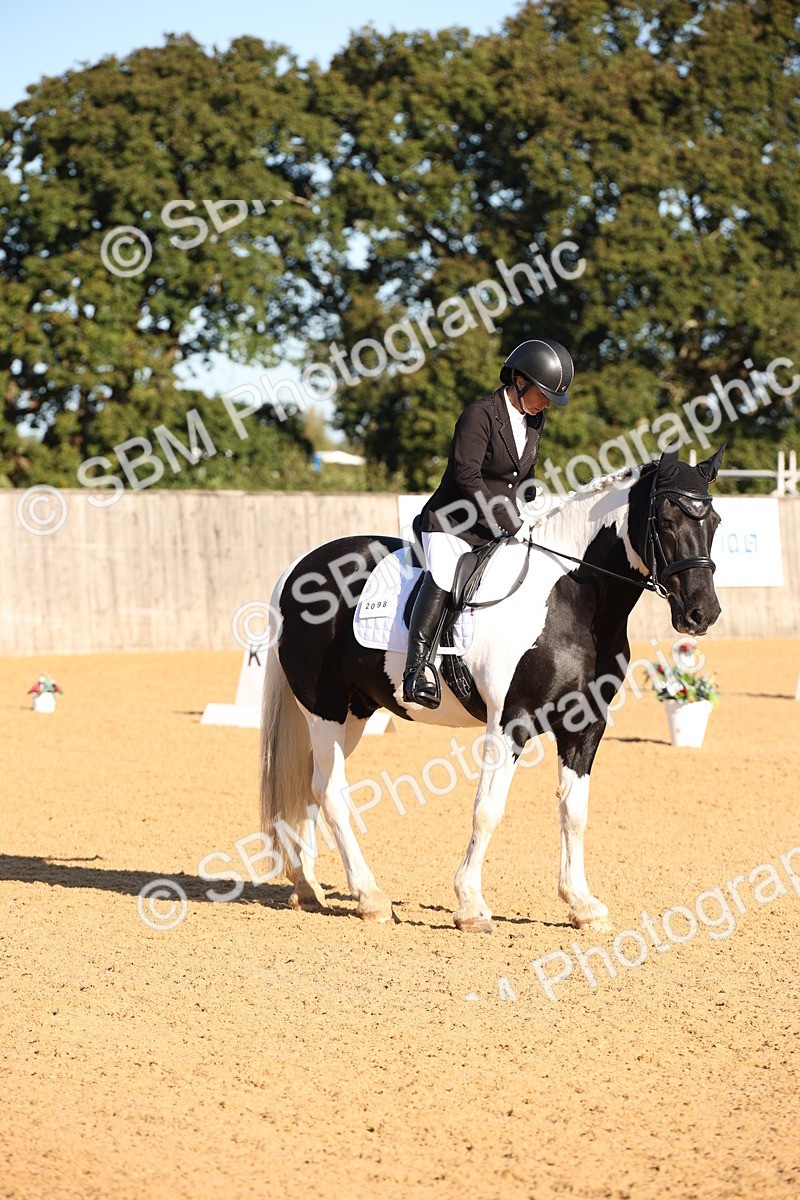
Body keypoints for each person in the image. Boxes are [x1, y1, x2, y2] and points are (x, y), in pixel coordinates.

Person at [402, 337, 574, 708]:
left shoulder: (534, 419)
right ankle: (417, 668)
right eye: (543, 394)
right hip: (453, 522)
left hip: (497, 525)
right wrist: (507, 519)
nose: (546, 403)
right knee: (444, 574)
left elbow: (522, 473)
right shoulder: (479, 414)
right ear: (520, 381)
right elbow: (467, 475)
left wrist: (533, 503)